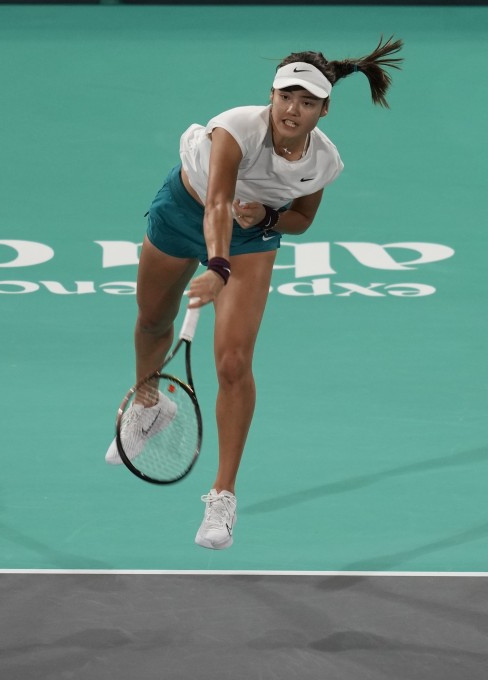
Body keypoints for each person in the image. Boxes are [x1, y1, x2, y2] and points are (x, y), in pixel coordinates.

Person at [105, 37, 404, 550]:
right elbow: (217, 202)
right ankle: (149, 403)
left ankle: (223, 496)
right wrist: (217, 263)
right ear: (272, 94)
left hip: (251, 238)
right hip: (186, 210)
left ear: (324, 109)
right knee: (153, 319)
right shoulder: (236, 127)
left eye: (308, 102)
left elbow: (302, 220)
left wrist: (266, 216)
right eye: (287, 96)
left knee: (234, 364)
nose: (294, 109)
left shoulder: (322, 161)